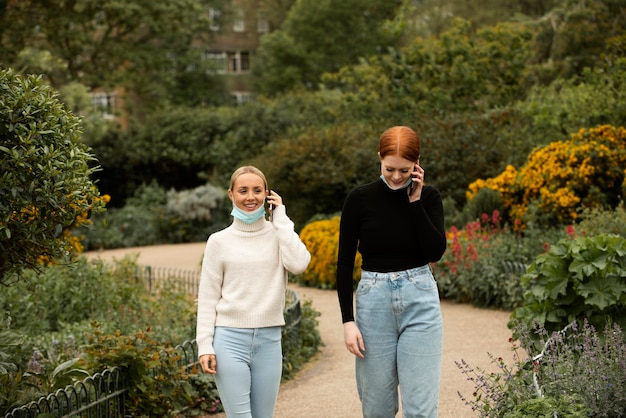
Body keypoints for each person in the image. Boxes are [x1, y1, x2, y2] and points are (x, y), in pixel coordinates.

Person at [336, 126, 447, 418]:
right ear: (379, 159)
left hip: (420, 300)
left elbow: (434, 252)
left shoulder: (429, 198)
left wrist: (415, 202)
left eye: (405, 170)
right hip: (374, 304)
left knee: (421, 409)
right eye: (389, 169)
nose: (397, 177)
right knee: (377, 409)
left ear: (418, 163)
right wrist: (348, 321)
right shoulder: (358, 200)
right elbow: (344, 262)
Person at [196, 165, 311, 418]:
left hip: (269, 340)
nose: (251, 197)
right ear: (231, 194)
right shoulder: (218, 241)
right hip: (229, 341)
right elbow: (207, 297)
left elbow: (300, 264)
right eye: (243, 190)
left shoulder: (279, 235)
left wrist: (280, 218)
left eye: (258, 190)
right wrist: (205, 345)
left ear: (267, 195)